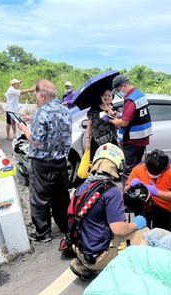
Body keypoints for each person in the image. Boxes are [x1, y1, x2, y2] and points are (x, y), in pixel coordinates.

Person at [69, 143, 147, 280]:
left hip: (81, 250)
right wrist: (136, 225)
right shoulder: (111, 191)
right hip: (100, 256)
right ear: (117, 165)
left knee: (125, 217)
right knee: (143, 232)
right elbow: (118, 229)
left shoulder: (83, 187)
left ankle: (84, 264)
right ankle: (128, 274)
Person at [18, 79, 72, 242]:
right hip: (61, 161)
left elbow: (37, 140)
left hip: (42, 163)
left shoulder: (42, 112)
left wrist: (25, 129)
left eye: (36, 96)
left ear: (42, 95)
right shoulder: (65, 110)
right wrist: (32, 120)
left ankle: (43, 233)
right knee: (61, 196)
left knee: (40, 198)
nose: (36, 99)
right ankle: (64, 226)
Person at [107, 75, 152, 187]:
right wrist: (119, 115)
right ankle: (137, 191)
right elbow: (135, 116)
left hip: (132, 142)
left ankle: (128, 195)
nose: (118, 92)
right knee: (137, 169)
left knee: (128, 172)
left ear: (124, 85)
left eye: (118, 90)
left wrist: (110, 120)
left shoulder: (131, 99)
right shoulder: (140, 95)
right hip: (142, 139)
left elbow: (124, 123)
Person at [125, 149, 171, 231]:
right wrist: (130, 186)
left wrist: (157, 192)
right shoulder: (138, 168)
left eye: (157, 174)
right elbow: (126, 190)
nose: (153, 176)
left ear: (165, 169)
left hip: (170, 209)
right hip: (147, 207)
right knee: (143, 232)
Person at [85, 89, 118, 161]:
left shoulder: (114, 109)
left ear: (112, 98)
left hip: (112, 141)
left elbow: (117, 126)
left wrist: (113, 117)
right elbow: (89, 125)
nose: (107, 97)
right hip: (97, 142)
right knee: (97, 162)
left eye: (109, 96)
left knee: (112, 162)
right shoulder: (94, 109)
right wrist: (87, 141)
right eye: (105, 95)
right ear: (101, 97)